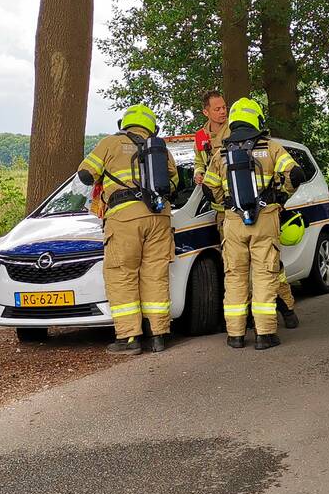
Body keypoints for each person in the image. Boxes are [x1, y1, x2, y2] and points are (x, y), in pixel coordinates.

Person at [203, 98, 305, 350]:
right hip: (265, 219)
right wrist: (281, 196)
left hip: (233, 222)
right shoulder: (271, 147)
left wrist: (226, 206)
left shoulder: (221, 153)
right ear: (256, 119)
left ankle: (235, 335)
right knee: (264, 276)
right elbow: (295, 174)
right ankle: (265, 334)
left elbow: (209, 188)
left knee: (235, 277)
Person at [78, 104, 178, 355]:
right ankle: (158, 335)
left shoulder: (110, 143)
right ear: (151, 126)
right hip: (159, 218)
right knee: (155, 275)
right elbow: (174, 183)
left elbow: (85, 173)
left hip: (124, 218)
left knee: (122, 274)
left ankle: (129, 338)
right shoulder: (160, 148)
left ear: (124, 123)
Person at [193, 91, 229, 185]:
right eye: (217, 109)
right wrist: (198, 173)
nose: (222, 111)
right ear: (205, 112)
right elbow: (198, 161)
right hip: (213, 192)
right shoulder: (200, 136)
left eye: (224, 107)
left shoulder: (234, 130)